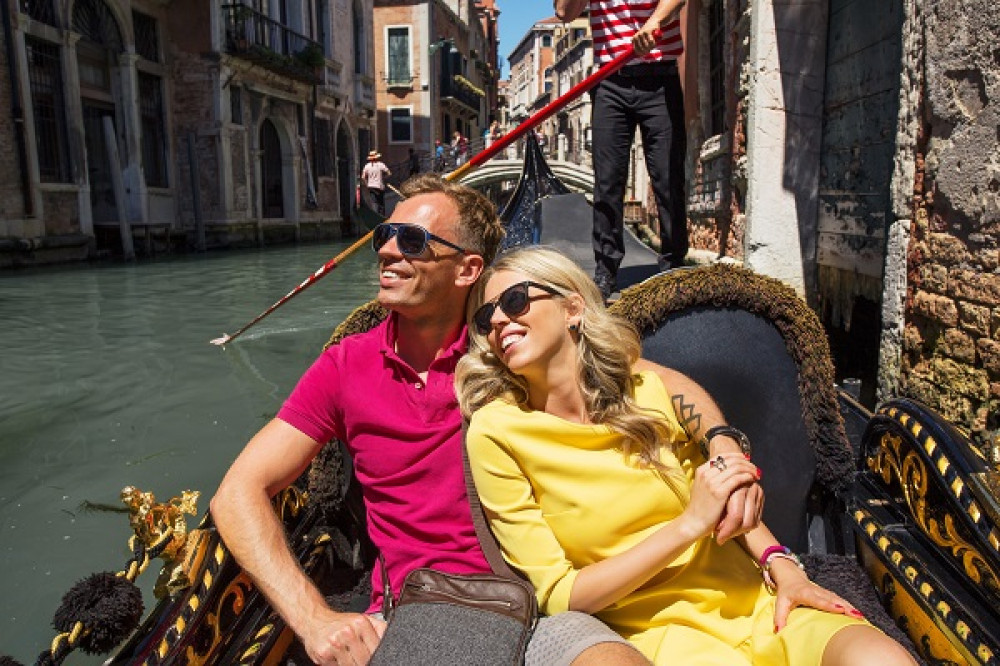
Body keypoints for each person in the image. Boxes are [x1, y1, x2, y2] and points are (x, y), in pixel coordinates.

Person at [211, 176, 657, 666]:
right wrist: (314, 618)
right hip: (419, 610)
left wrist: (720, 440)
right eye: (385, 236)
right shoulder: (345, 366)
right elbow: (237, 493)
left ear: (467, 269)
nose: (387, 252)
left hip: (541, 601)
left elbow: (650, 380)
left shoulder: (510, 347)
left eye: (414, 241)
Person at [455, 246, 918, 666]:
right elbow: (559, 594)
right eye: (486, 317)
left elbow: (718, 487)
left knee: (883, 660)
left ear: (573, 308)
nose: (497, 320)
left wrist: (783, 566)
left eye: (515, 301)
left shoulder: (646, 392)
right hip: (656, 634)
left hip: (753, 601)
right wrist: (688, 526)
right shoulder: (498, 431)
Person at [555, 0, 690, 300]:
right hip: (610, 83)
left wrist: (654, 22)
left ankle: (673, 264)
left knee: (668, 178)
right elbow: (565, 12)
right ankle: (606, 271)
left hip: (660, 78)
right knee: (607, 182)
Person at [360, 150, 391, 215]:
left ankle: (375, 214)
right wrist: (384, 178)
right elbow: (389, 173)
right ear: (377, 157)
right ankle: (381, 216)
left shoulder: (367, 166)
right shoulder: (380, 165)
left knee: (374, 202)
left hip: (371, 187)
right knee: (381, 203)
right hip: (379, 186)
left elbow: (363, 177)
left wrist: (367, 184)